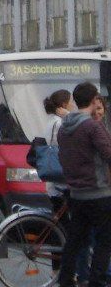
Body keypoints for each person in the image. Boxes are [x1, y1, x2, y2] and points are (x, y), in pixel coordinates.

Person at [56, 82, 111, 287]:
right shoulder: (92, 126)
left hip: (76, 193)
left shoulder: (64, 128)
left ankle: (66, 279)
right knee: (104, 240)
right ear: (93, 99)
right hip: (98, 192)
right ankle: (97, 281)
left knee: (75, 240)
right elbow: (108, 153)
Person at [42, 90, 73, 207]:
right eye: (71, 102)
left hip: (54, 180)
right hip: (61, 179)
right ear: (64, 105)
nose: (73, 105)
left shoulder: (52, 121)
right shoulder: (60, 123)